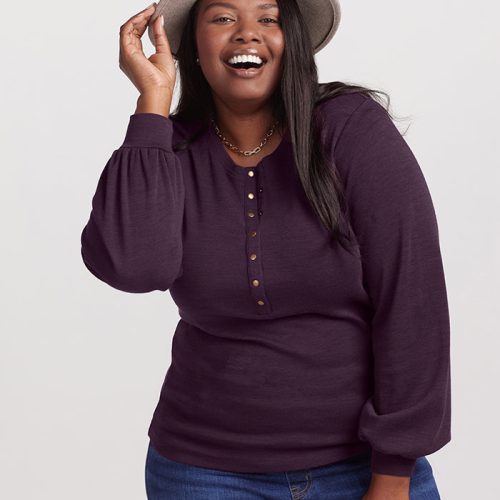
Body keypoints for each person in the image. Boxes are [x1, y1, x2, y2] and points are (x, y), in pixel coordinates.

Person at [80, 0, 451, 498]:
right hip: (202, 473)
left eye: (268, 18)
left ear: (289, 40)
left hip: (363, 466)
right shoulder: (167, 153)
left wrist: (392, 474)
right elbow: (135, 266)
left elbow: (412, 303)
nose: (246, 34)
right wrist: (153, 101)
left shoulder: (349, 129)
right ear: (193, 46)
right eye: (223, 18)